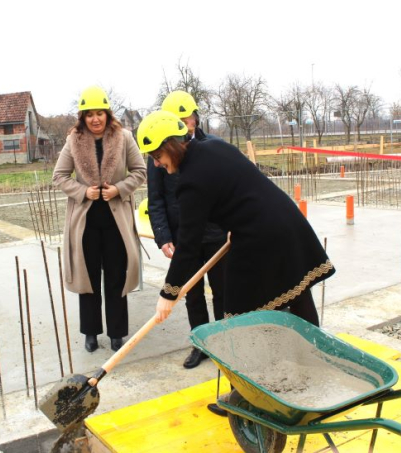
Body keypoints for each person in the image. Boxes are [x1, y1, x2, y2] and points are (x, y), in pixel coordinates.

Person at [137, 110, 336, 413]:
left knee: (237, 319)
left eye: (156, 155)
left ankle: (243, 399)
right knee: (298, 294)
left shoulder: (189, 181)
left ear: (170, 145)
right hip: (286, 220)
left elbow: (188, 247)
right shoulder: (214, 147)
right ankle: (316, 373)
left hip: (259, 237)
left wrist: (169, 292)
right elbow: (243, 186)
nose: (156, 164)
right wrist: (237, 219)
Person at [53, 86, 146, 353]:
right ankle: (91, 333)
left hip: (116, 221)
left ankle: (117, 333)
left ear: (108, 114)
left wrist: (119, 189)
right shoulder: (74, 140)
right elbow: (59, 176)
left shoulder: (124, 137)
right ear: (82, 117)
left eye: (100, 114)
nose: (95, 119)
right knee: (88, 279)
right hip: (86, 223)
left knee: (117, 277)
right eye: (90, 114)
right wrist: (84, 191)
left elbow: (139, 171)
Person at [147, 90, 227, 370]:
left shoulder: (211, 146)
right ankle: (200, 343)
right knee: (192, 293)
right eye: (177, 118)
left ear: (195, 116)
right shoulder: (158, 151)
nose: (185, 123)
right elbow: (155, 197)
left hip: (215, 233)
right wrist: (163, 236)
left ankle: (225, 343)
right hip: (184, 235)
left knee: (223, 291)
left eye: (187, 117)